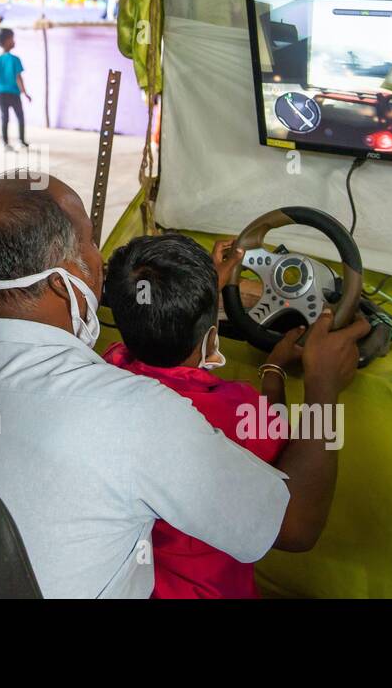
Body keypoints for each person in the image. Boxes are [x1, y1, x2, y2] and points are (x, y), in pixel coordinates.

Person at [0, 173, 369, 599]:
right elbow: (298, 525)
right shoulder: (134, 414)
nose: (98, 258)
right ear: (62, 281)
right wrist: (322, 389)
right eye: (91, 242)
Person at [102, 233, 306, 598]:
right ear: (213, 335)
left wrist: (199, 290)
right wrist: (275, 370)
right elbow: (279, 440)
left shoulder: (111, 363)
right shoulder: (237, 410)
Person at [0, 27, 30, 150]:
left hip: (0, 94)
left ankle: (5, 143)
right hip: (13, 93)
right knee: (20, 116)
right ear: (7, 41)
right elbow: (19, 78)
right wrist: (25, 93)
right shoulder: (14, 59)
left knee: (4, 117)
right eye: (12, 39)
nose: (14, 41)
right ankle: (21, 141)